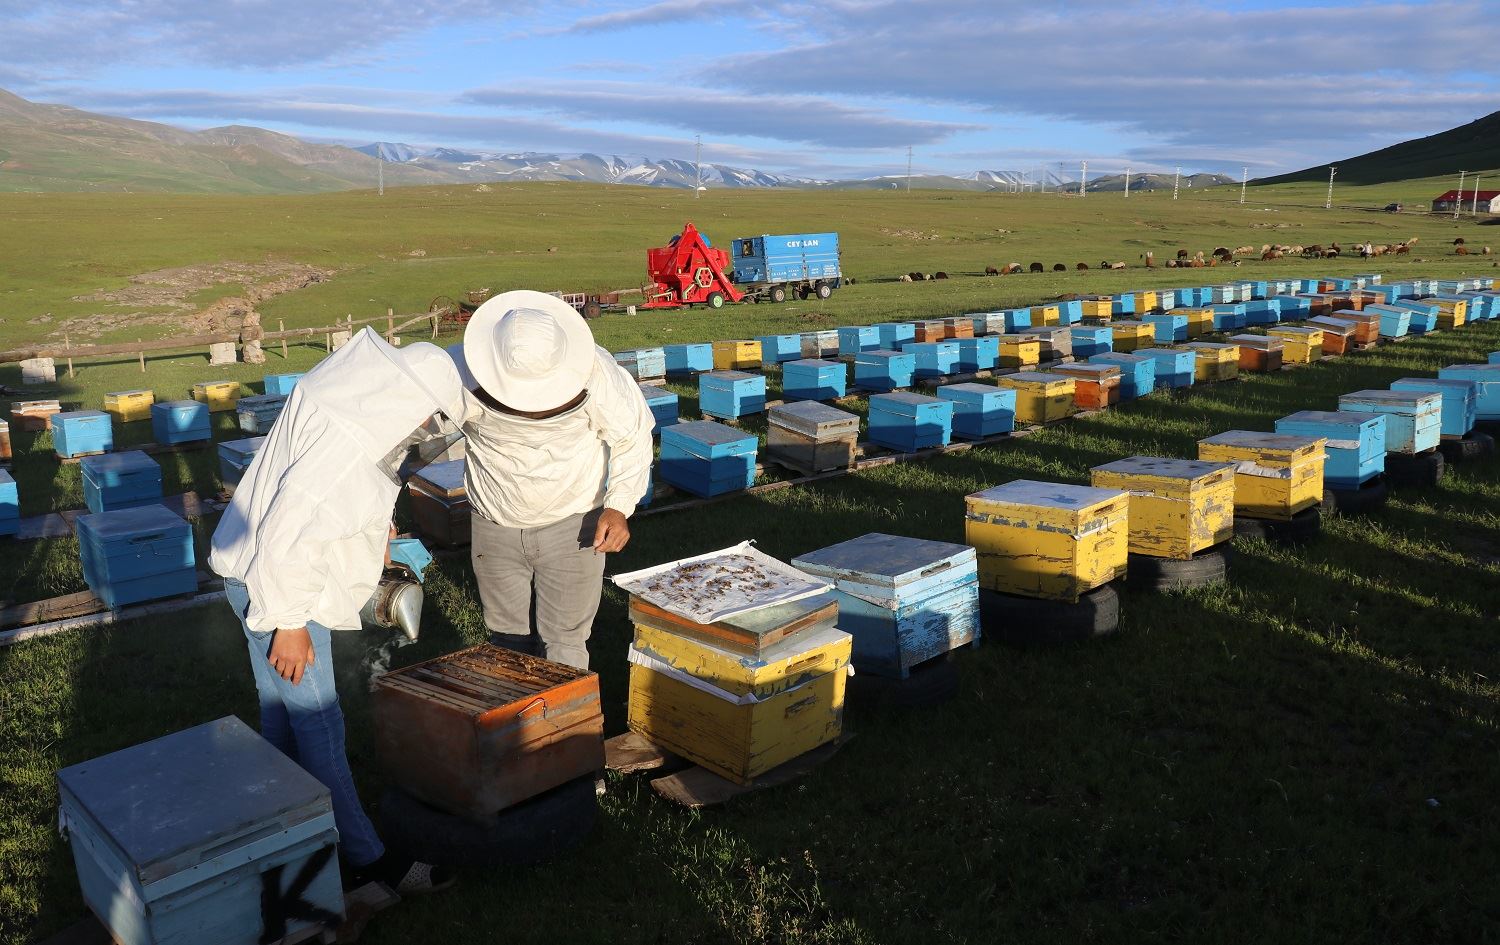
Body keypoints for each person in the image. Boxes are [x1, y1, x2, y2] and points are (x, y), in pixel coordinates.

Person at [210, 328, 462, 895]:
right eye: (428, 420)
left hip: (262, 578)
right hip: (280, 589)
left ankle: (283, 832)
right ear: (407, 401)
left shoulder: (355, 421)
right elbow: (283, 537)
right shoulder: (347, 451)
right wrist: (291, 623)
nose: (427, 433)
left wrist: (382, 529)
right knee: (319, 722)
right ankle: (366, 859)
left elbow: (348, 497)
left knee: (281, 718)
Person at [451, 290, 653, 669]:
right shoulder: (458, 370)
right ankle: (517, 724)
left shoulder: (599, 373)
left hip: (574, 523)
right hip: (494, 522)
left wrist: (619, 506)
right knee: (507, 639)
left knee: (565, 643)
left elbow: (632, 434)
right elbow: (411, 428)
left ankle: (564, 727)